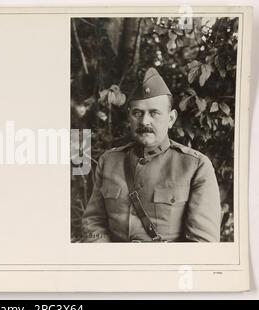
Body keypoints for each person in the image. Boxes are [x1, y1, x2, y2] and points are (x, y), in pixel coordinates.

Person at [82, 67, 221, 242]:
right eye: (137, 113)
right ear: (129, 118)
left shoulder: (195, 166)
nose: (144, 121)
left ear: (171, 119)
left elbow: (203, 243)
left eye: (154, 113)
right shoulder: (109, 161)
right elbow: (94, 222)